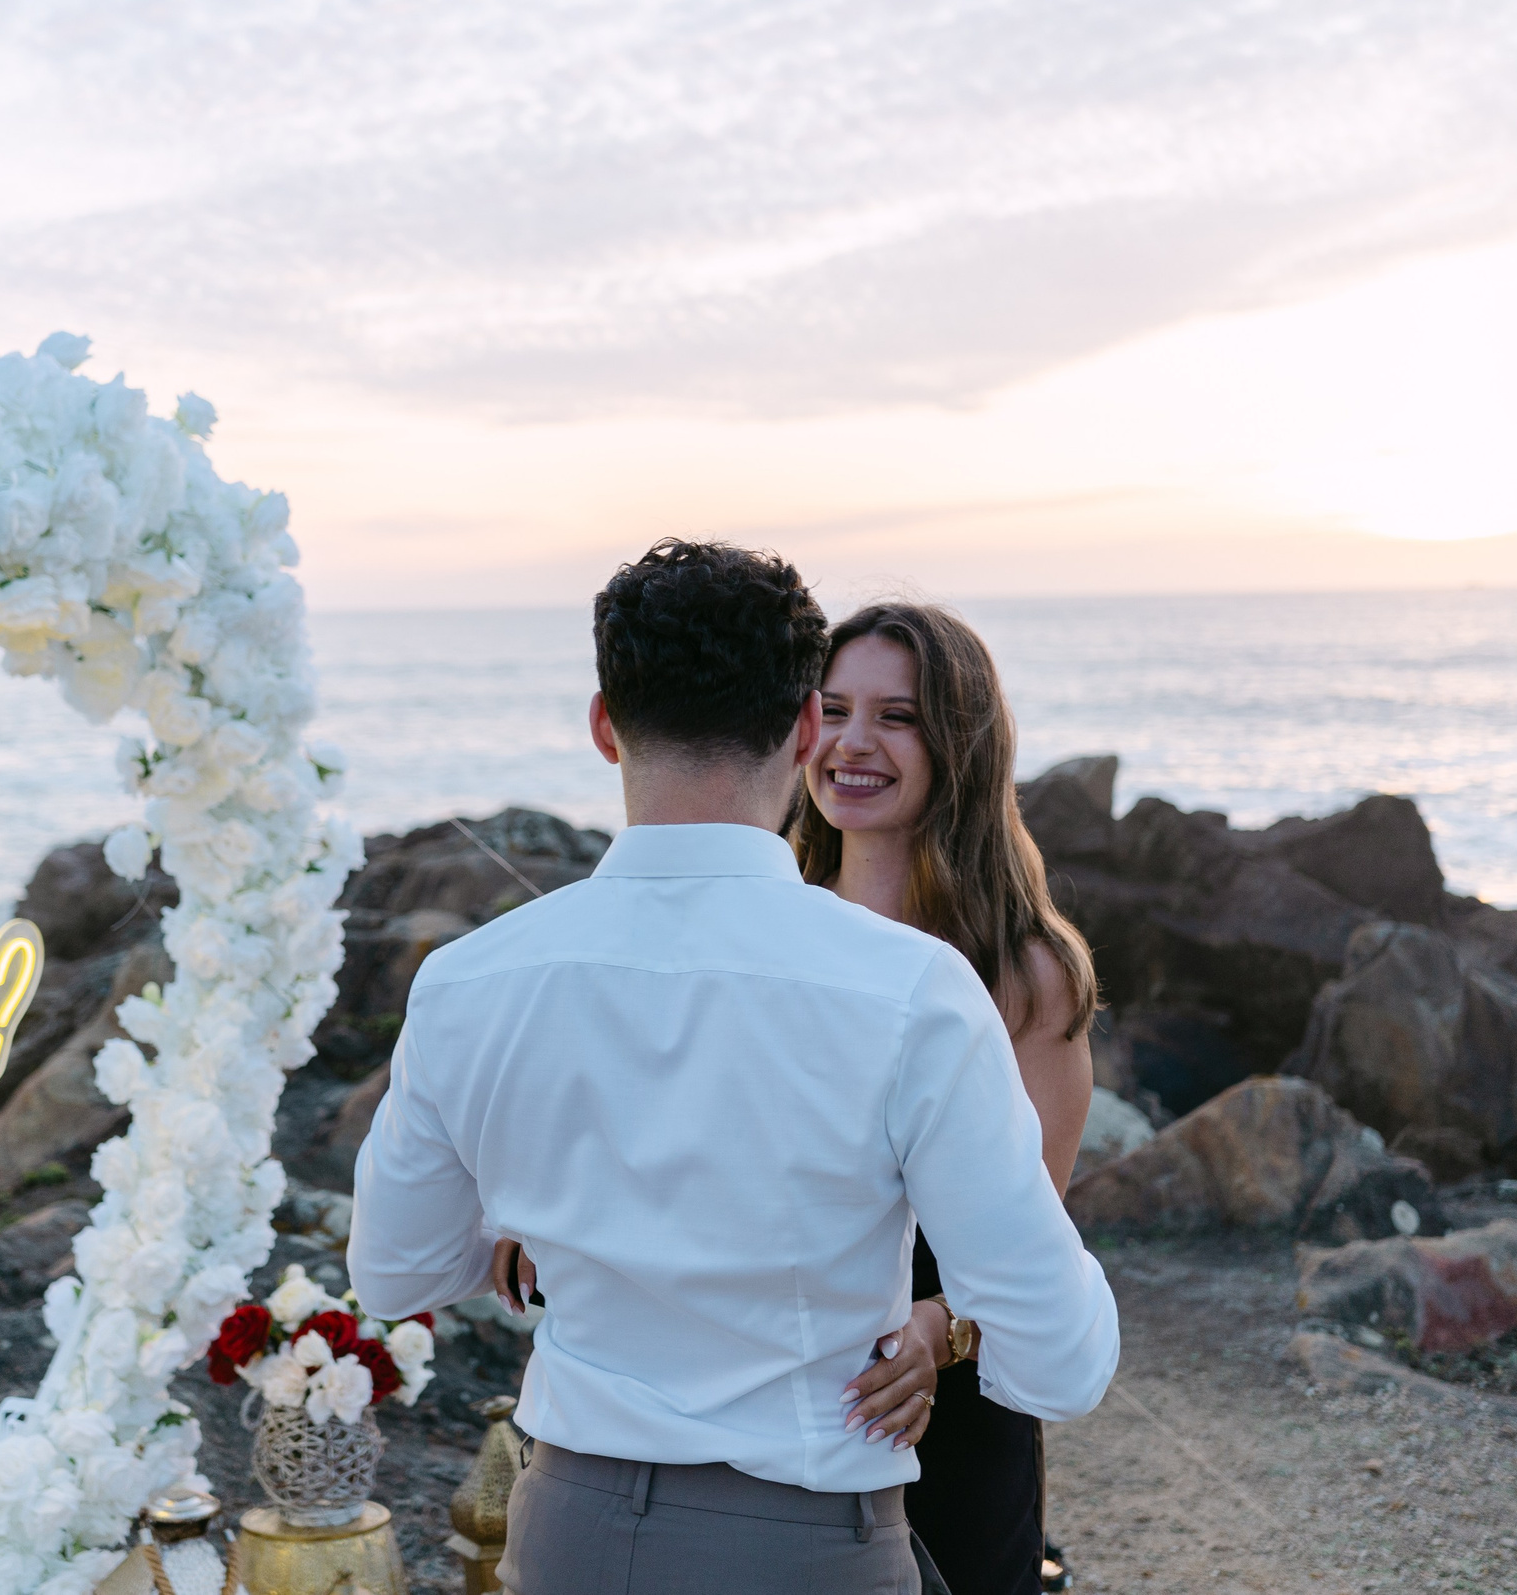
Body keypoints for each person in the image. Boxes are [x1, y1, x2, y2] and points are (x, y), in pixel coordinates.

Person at [349, 540, 1118, 1595]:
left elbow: (395, 1273)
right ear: (805, 726)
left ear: (602, 724)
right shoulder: (912, 990)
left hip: (570, 1531)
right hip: (804, 1542)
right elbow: (1061, 1358)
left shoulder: (467, 979)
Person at [797, 602, 1101, 1595]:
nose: (851, 742)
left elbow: (1026, 1252)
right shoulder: (769, 936)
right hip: (773, 1388)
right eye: (833, 707)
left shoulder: (1026, 975)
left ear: (957, 744)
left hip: (952, 1414)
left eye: (896, 716)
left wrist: (931, 1333)